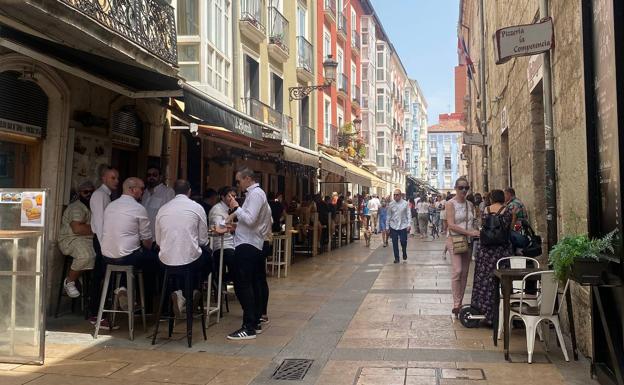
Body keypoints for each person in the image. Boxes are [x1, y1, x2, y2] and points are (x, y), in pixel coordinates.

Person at [225, 167, 272, 340]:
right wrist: (237, 226)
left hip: (248, 245)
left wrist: (236, 208)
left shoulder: (256, 194)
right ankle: (254, 322)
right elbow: (254, 221)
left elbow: (251, 219)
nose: (237, 185)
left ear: (247, 178)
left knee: (243, 285)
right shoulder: (256, 195)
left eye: (238, 181)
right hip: (250, 242)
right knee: (251, 283)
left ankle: (249, 326)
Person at [100, 177, 157, 312]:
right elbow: (147, 239)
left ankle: (123, 288)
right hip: (127, 257)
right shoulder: (138, 208)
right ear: (133, 190)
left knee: (132, 257)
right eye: (141, 189)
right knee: (154, 261)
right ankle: (147, 307)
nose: (143, 192)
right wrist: (149, 247)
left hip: (106, 256)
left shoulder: (110, 206)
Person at [155, 180, 211, 317]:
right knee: (207, 258)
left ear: (174, 191)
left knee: (179, 261)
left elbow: (158, 241)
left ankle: (179, 293)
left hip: (166, 262)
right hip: (190, 262)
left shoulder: (163, 209)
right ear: (189, 191)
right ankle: (192, 292)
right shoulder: (197, 208)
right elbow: (203, 240)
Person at [472, 189, 512, 325]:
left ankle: (486, 312)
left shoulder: (486, 210)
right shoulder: (507, 211)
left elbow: (482, 226)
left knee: (486, 281)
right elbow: (508, 229)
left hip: (486, 251)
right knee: (503, 281)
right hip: (502, 251)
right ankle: (502, 313)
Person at [88, 166, 119, 327]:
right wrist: (103, 245)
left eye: (117, 178)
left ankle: (99, 313)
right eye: (113, 178)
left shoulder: (107, 196)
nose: (116, 181)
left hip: (104, 240)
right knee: (99, 277)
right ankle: (95, 314)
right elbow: (99, 223)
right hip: (101, 240)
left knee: (102, 276)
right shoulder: (99, 195)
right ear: (104, 178)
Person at [446, 177, 480, 316]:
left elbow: (473, 221)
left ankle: (459, 303)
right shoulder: (450, 204)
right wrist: (469, 232)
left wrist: (477, 231)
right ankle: (455, 302)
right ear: (456, 188)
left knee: (465, 272)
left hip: (468, 241)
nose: (464, 190)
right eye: (461, 188)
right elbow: (451, 224)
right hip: (454, 239)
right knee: (458, 270)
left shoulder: (470, 205)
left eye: (466, 188)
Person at [58, 181, 96, 298]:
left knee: (101, 256)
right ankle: (70, 281)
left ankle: (81, 276)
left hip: (86, 239)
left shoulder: (91, 207)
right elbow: (77, 229)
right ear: (79, 193)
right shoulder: (77, 207)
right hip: (71, 239)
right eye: (86, 192)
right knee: (86, 255)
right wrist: (97, 228)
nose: (89, 194)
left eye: (91, 192)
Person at [142, 167, 175, 237]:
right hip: (144, 236)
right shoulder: (145, 192)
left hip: (158, 238)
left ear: (160, 177)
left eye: (154, 175)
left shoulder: (167, 192)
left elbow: (170, 216)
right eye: (149, 175)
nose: (151, 177)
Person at [386, 189, 411, 263]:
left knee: (403, 241)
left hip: (403, 226)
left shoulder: (405, 203)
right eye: (394, 195)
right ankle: (396, 258)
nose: (395, 196)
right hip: (393, 226)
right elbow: (388, 216)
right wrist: (387, 227)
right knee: (394, 242)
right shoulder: (391, 204)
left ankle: (404, 251)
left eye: (397, 195)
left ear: (400, 195)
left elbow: (408, 214)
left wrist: (409, 224)